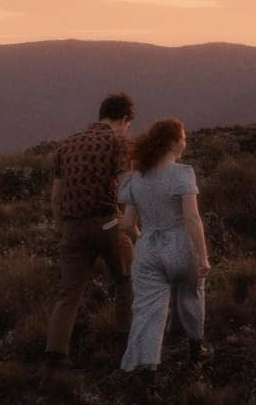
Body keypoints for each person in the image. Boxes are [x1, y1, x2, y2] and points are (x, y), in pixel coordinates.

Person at [43, 92, 137, 365]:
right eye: (128, 125)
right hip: (107, 222)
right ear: (123, 119)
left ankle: (55, 357)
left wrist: (64, 226)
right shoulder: (118, 143)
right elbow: (126, 188)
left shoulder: (67, 144)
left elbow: (55, 196)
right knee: (126, 279)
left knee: (68, 294)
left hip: (72, 227)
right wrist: (132, 225)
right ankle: (125, 345)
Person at [112, 117, 210, 377]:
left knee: (148, 310)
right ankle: (195, 350)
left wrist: (144, 238)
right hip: (180, 245)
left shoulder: (136, 178)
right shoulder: (182, 173)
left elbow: (128, 224)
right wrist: (203, 257)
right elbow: (191, 218)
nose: (185, 142)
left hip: (148, 249)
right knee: (191, 295)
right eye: (183, 138)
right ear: (173, 143)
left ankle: (147, 370)